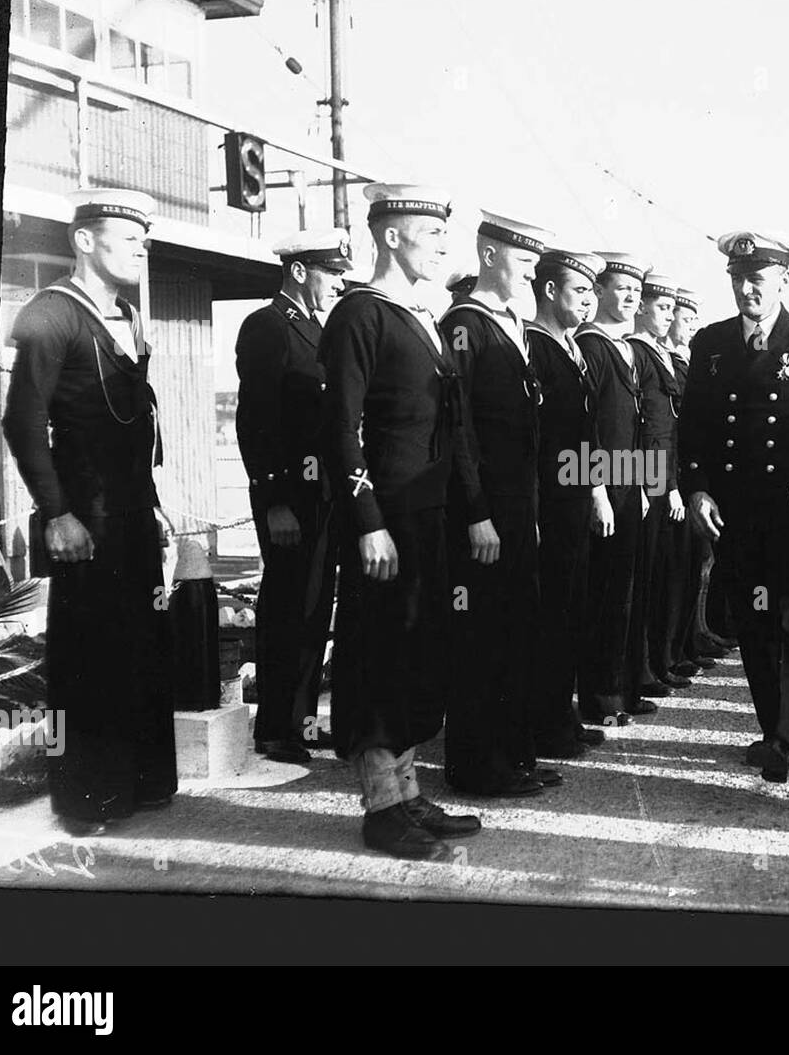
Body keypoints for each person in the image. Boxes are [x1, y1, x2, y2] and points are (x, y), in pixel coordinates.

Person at [2, 188, 176, 836]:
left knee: (142, 650)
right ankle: (87, 799)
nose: (140, 246)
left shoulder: (128, 315)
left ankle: (141, 784)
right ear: (83, 240)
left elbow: (138, 425)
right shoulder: (52, 314)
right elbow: (22, 422)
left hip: (130, 517)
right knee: (89, 661)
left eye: (143, 237)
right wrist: (56, 512)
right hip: (82, 521)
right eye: (125, 234)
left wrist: (154, 505)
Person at [319, 183, 481, 861]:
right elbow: (338, 428)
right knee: (379, 657)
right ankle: (381, 806)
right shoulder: (360, 314)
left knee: (416, 654)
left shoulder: (419, 316)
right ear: (390, 236)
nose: (443, 243)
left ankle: (409, 790)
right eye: (430, 232)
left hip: (425, 517)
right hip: (385, 520)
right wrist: (366, 521)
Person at [678, 231, 789, 783]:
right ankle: (773, 726)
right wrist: (696, 488)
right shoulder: (712, 343)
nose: (746, 289)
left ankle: (783, 739)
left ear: (783, 281)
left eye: (757, 279)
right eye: (736, 279)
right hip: (737, 508)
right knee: (753, 621)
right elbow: (694, 428)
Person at [443, 211, 561, 797]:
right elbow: (457, 427)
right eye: (524, 262)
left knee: (516, 632)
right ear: (490, 257)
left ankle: (514, 754)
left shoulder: (511, 324)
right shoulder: (466, 324)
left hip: (518, 508)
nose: (533, 274)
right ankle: (476, 764)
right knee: (481, 638)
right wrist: (476, 512)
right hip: (486, 511)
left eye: (538, 264)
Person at [235, 228, 350, 765]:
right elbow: (255, 419)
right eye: (331, 273)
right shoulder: (267, 326)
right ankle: (274, 728)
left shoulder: (316, 330)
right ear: (300, 271)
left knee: (312, 608)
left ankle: (302, 721)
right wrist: (274, 497)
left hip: (321, 493)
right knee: (286, 607)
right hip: (289, 497)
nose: (338, 283)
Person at [528, 246, 609, 758]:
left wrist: (598, 491)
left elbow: (590, 433)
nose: (589, 301)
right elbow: (537, 438)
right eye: (579, 291)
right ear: (550, 291)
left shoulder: (571, 347)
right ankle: (548, 724)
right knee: (551, 618)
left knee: (572, 612)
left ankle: (565, 715)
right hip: (551, 503)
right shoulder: (536, 347)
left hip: (576, 498)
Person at [576, 251, 658, 725]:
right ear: (599, 292)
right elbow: (590, 426)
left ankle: (622, 687)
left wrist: (644, 486)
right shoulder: (591, 344)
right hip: (604, 484)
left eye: (635, 291)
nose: (630, 297)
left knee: (626, 592)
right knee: (604, 594)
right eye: (620, 289)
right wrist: (597, 490)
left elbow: (636, 424)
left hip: (631, 485)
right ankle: (600, 696)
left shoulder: (625, 346)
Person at [628, 273, 690, 695]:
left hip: (669, 480)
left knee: (670, 575)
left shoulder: (662, 355)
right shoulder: (637, 351)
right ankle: (644, 667)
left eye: (672, 309)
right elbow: (647, 430)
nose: (668, 317)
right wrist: (661, 485)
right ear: (642, 307)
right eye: (662, 308)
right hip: (650, 482)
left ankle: (662, 658)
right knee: (647, 582)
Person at [664, 288, 721, 673]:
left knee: (696, 567)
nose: (683, 325)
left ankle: (689, 637)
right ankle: (667, 652)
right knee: (667, 574)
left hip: (679, 479)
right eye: (678, 315)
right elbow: (643, 434)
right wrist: (661, 485)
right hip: (658, 484)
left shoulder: (680, 362)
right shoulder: (656, 358)